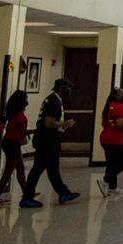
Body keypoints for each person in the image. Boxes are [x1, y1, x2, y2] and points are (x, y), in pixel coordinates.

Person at [19, 78, 80, 208]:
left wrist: (62, 126)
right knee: (39, 169)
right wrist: (64, 123)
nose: (69, 90)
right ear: (60, 88)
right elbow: (48, 123)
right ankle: (27, 197)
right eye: (67, 87)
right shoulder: (53, 101)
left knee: (51, 169)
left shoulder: (53, 99)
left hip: (47, 139)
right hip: (46, 140)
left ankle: (63, 193)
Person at [0, 90, 33, 202]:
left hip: (9, 143)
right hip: (13, 144)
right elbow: (22, 131)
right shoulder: (19, 115)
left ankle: (26, 192)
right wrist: (38, 131)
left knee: (20, 168)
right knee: (8, 172)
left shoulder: (13, 113)